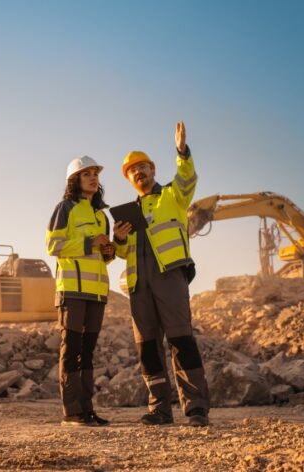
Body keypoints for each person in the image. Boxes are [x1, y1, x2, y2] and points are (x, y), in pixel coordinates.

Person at [113, 121, 211, 427]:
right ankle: (159, 408)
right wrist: (117, 238)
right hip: (138, 284)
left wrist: (182, 151)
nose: (139, 172)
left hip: (170, 276)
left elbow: (187, 178)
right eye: (133, 170)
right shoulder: (127, 214)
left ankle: (195, 407)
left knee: (181, 339)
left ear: (153, 170)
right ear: (129, 179)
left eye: (143, 167)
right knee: (148, 348)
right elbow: (121, 252)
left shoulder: (172, 195)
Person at [46, 155, 115, 427]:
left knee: (87, 352)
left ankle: (87, 410)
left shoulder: (101, 216)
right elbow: (54, 246)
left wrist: (109, 250)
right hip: (72, 291)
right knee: (71, 349)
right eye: (87, 174)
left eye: (96, 173)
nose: (94, 177)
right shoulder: (65, 208)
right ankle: (71, 412)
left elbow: (103, 257)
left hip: (97, 293)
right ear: (74, 180)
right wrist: (89, 243)